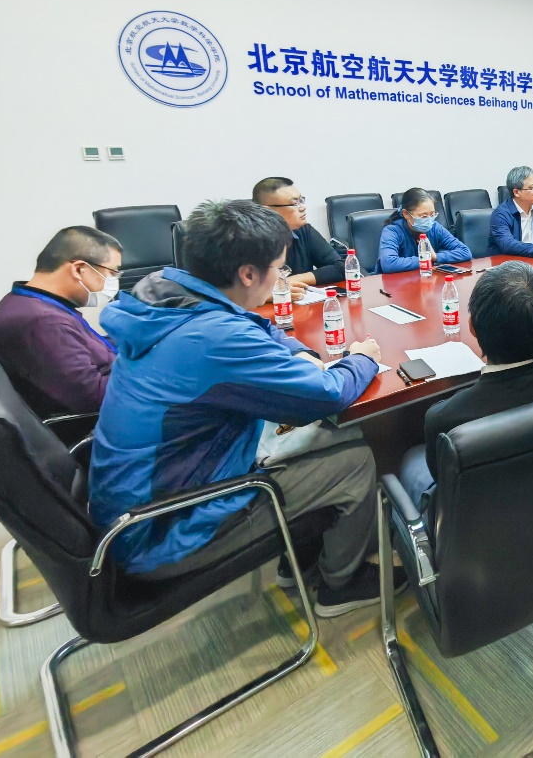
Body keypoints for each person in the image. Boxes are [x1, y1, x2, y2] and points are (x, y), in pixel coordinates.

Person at [89, 199, 396, 618]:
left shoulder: (164, 292)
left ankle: (301, 559)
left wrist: (302, 353)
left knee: (327, 434)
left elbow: (258, 326)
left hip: (146, 493)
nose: (282, 279)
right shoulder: (212, 338)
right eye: (280, 270)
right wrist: (361, 359)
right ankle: (340, 586)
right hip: (161, 530)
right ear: (248, 274)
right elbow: (328, 393)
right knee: (354, 459)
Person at [397, 262, 533, 517]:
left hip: (481, 532)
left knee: (412, 459)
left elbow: (447, 489)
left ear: (472, 327)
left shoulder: (444, 420)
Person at [0, 226, 122, 417]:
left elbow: (84, 346)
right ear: (79, 269)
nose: (113, 282)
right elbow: (96, 398)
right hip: (94, 423)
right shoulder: (42, 323)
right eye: (112, 273)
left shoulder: (30, 302)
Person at [253, 177, 344, 301]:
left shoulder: (304, 231)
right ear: (268, 211)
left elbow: (340, 268)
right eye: (294, 203)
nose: (303, 207)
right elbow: (233, 292)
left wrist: (286, 281)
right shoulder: (247, 240)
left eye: (301, 200)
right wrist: (266, 294)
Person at [378, 188, 471, 273]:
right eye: (423, 216)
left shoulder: (435, 227)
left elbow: (465, 252)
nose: (429, 220)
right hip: (397, 282)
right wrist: (426, 258)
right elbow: (389, 264)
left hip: (426, 278)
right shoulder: (392, 231)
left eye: (432, 214)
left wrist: (436, 257)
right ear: (406, 214)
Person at [488, 166, 533, 258]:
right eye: (531, 188)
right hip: (509, 264)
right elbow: (507, 244)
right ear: (516, 192)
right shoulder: (500, 214)